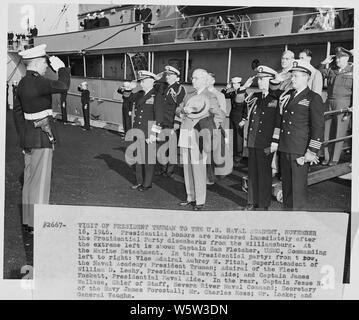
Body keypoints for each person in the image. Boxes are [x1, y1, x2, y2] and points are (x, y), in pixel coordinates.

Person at [12, 44, 70, 233]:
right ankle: (38, 223)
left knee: (29, 180)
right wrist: (61, 68)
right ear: (36, 63)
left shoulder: (21, 83)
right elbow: (63, 86)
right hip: (42, 137)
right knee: (41, 181)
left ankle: (29, 221)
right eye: (45, 63)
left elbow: (18, 114)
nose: (46, 67)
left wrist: (23, 139)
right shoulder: (39, 81)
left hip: (29, 137)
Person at [270, 60, 325, 210]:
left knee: (297, 190)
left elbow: (318, 127)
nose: (292, 79)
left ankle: (297, 218)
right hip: (286, 147)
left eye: (296, 76)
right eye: (292, 76)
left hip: (300, 150)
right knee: (287, 187)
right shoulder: (289, 96)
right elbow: (280, 120)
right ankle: (288, 216)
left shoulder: (313, 98)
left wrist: (311, 151)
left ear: (306, 77)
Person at [177, 69, 216, 211]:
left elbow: (218, 115)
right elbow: (178, 109)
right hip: (185, 132)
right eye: (192, 78)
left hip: (199, 135)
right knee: (187, 167)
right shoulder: (189, 95)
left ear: (204, 80)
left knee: (198, 168)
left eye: (196, 78)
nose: (193, 81)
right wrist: (183, 110)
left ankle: (200, 200)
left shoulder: (211, 96)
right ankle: (190, 197)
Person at [244, 66, 281, 211]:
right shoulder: (256, 97)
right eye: (259, 79)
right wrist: (244, 87)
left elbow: (278, 122)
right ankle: (252, 201)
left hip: (266, 143)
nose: (260, 82)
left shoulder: (276, 98)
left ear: (271, 80)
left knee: (264, 173)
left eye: (263, 79)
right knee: (252, 173)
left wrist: (275, 141)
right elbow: (240, 101)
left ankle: (263, 204)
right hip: (253, 141)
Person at [122, 70, 161, 191]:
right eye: (141, 81)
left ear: (151, 81)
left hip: (149, 131)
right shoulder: (140, 94)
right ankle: (140, 181)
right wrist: (128, 88)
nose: (141, 84)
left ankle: (147, 183)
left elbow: (159, 117)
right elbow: (127, 98)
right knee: (139, 158)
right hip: (138, 130)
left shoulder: (157, 95)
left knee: (148, 160)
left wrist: (154, 133)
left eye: (143, 81)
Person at [319, 46, 353, 166]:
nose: (337, 60)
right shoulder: (332, 70)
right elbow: (320, 73)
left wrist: (352, 106)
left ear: (347, 58)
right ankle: (327, 157)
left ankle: (334, 158)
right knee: (326, 131)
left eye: (340, 58)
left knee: (339, 131)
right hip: (329, 102)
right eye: (336, 58)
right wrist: (323, 64)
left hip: (343, 103)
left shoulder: (353, 70)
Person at [156, 66, 186, 178]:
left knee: (172, 148)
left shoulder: (179, 89)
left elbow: (180, 106)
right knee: (161, 146)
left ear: (176, 76)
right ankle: (163, 168)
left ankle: (170, 170)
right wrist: (156, 77)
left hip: (171, 123)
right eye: (166, 75)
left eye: (170, 75)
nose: (167, 77)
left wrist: (177, 122)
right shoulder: (162, 86)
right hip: (162, 121)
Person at [221, 77, 247, 164]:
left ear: (240, 84)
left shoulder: (244, 93)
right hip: (232, 117)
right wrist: (226, 88)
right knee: (232, 136)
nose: (235, 85)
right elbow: (222, 95)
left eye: (236, 84)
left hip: (239, 118)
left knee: (239, 137)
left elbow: (246, 108)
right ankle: (233, 154)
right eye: (233, 84)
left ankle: (238, 156)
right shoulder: (233, 93)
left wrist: (244, 119)